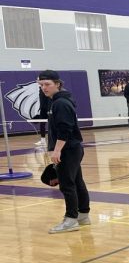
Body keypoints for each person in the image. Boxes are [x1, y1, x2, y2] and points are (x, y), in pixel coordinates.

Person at [39, 70, 91, 234]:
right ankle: (83, 215)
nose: (44, 88)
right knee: (77, 182)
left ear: (58, 84)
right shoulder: (56, 100)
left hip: (68, 150)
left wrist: (57, 151)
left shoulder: (61, 104)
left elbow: (65, 130)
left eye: (47, 84)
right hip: (72, 149)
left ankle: (71, 220)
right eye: (41, 85)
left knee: (67, 185)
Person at [36, 84, 51, 148]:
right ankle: (43, 140)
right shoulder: (40, 89)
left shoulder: (47, 89)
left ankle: (52, 140)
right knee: (42, 124)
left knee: (52, 124)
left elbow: (49, 99)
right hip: (43, 110)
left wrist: (49, 109)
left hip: (48, 109)